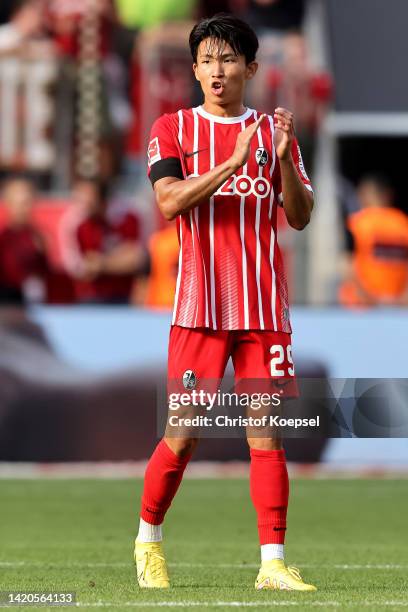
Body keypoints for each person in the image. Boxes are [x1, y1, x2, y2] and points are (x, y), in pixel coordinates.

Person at [134, 14, 316, 592]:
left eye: (229, 59)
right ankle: (148, 541)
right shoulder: (171, 129)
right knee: (184, 433)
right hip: (200, 308)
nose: (217, 69)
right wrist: (233, 163)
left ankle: (272, 563)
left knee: (266, 436)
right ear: (193, 69)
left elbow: (301, 215)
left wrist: (282, 158)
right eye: (207, 60)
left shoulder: (274, 131)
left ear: (251, 68)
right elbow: (168, 202)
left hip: (264, 311)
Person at [60, 178, 146, 304]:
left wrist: (102, 263)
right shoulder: (74, 224)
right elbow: (79, 269)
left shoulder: (125, 219)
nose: (83, 206)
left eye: (89, 201)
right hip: (88, 299)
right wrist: (118, 259)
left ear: (102, 201)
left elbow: (136, 259)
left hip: (123, 298)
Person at [339, 175, 408, 307]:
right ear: (388, 195)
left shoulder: (356, 223)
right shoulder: (403, 223)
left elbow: (348, 267)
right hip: (398, 307)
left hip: (361, 307)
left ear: (363, 195)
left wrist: (369, 298)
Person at [0, 176, 48, 303]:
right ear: (8, 204)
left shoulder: (38, 237)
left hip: (32, 302)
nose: (24, 208)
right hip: (6, 303)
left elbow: (44, 272)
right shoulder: (4, 238)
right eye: (20, 203)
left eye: (28, 202)